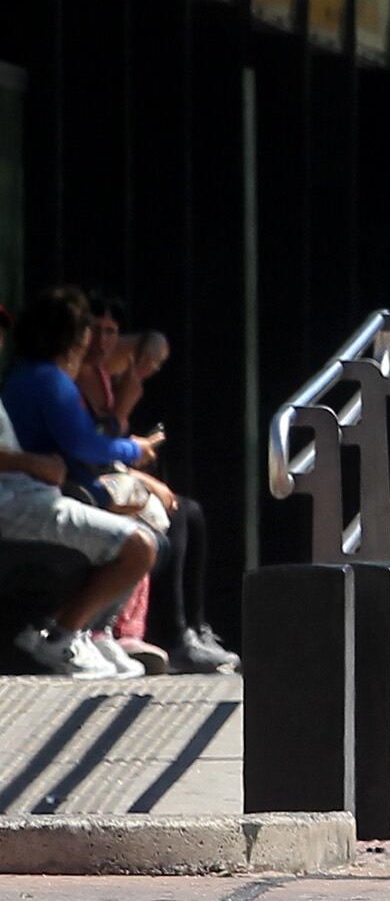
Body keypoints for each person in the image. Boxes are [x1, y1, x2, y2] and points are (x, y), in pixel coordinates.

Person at [3, 290, 222, 674]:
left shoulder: (33, 376)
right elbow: (83, 445)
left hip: (41, 492)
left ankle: (83, 631)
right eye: (90, 332)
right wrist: (134, 451)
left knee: (163, 527)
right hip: (31, 499)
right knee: (143, 542)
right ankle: (67, 635)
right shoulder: (48, 378)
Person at [0, 388, 156, 678]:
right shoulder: (45, 380)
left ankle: (63, 631)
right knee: (138, 546)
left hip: (31, 494)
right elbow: (83, 444)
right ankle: (62, 638)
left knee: (147, 533)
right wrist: (33, 463)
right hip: (11, 504)